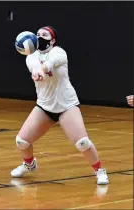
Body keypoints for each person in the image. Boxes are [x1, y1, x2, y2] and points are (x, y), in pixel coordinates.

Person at [11, 26, 109, 185]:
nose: (40, 36)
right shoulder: (31, 56)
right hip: (44, 106)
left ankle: (99, 170)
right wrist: (36, 71)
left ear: (53, 40)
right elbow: (34, 65)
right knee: (21, 142)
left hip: (66, 106)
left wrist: (42, 70)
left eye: (44, 34)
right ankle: (29, 165)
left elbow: (49, 63)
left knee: (82, 143)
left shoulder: (59, 52)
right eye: (38, 34)